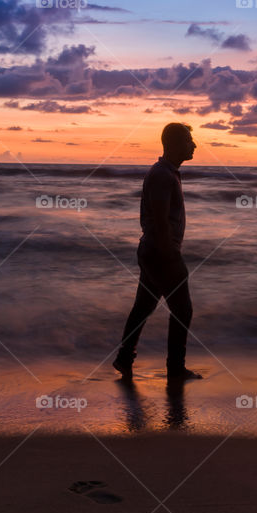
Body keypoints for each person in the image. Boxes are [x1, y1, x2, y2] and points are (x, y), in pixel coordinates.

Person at [113, 123, 202, 381]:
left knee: (143, 306)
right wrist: (170, 256)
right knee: (182, 310)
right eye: (189, 140)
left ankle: (124, 358)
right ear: (174, 144)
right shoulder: (162, 175)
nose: (194, 145)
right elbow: (161, 220)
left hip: (152, 251)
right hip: (161, 253)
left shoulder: (166, 172)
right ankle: (175, 368)